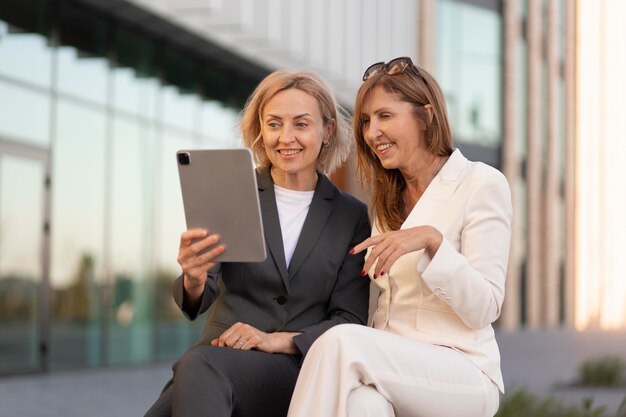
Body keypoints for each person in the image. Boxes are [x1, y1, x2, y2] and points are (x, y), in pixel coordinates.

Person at [286, 57, 512, 417]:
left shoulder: (481, 183)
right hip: (390, 367)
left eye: (384, 116)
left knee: (339, 343)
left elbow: (486, 306)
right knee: (362, 405)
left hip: (462, 372)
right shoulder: (385, 202)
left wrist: (433, 242)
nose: (372, 132)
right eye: (365, 121)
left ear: (425, 116)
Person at [144, 70, 371, 417]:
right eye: (274, 124)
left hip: (294, 368)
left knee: (196, 366)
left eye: (301, 124)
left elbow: (349, 318)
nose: (286, 137)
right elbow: (198, 298)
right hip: (219, 360)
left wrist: (277, 340)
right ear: (260, 131)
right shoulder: (233, 192)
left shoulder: (349, 215)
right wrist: (192, 277)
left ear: (326, 131)